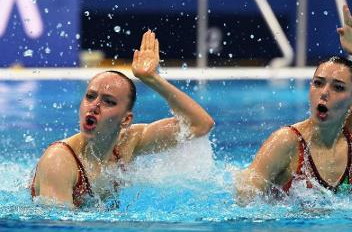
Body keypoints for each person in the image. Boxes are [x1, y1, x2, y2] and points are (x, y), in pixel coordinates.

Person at [235, 5, 352, 205]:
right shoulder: (286, 142)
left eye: (338, 88)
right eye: (318, 83)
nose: (324, 93)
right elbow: (245, 202)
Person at [30, 30, 215, 208]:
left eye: (108, 101)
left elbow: (200, 124)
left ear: (126, 120)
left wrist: (152, 79)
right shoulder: (59, 162)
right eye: (90, 96)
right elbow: (55, 226)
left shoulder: (128, 143)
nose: (94, 106)